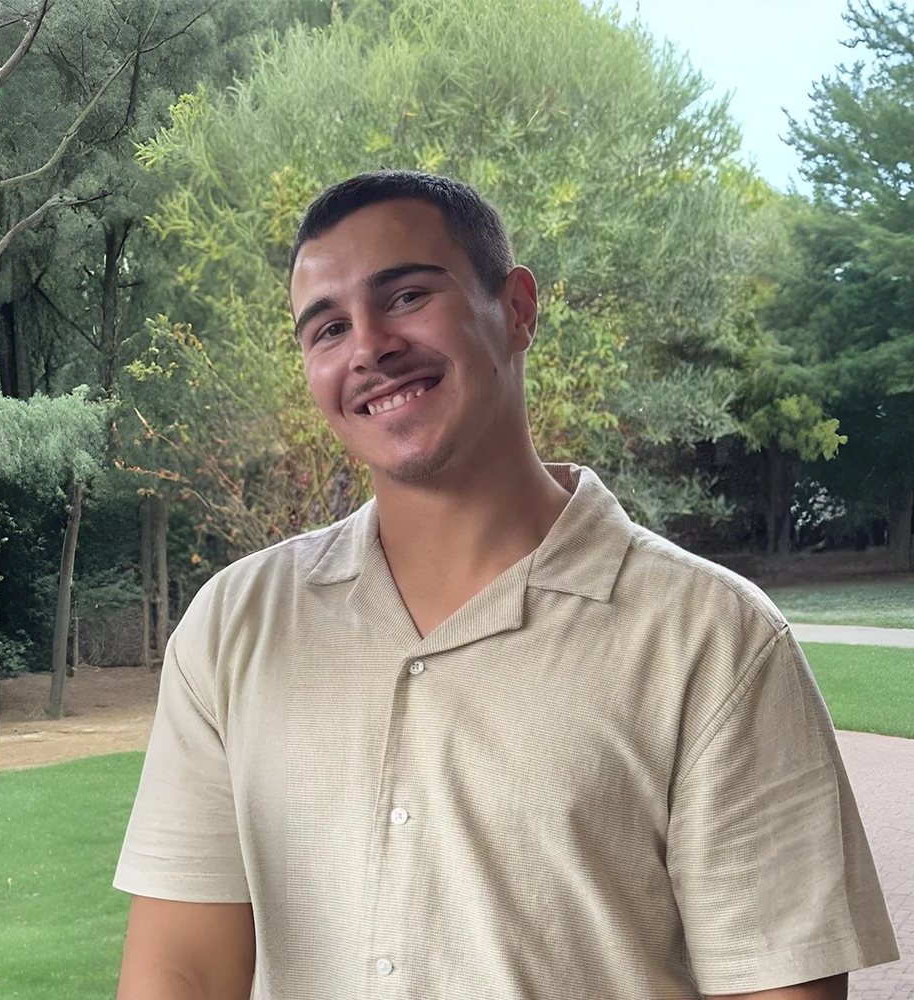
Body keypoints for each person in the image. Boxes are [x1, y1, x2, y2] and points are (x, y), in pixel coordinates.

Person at [114, 171, 898, 1000]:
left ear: (517, 308)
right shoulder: (235, 624)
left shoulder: (714, 638)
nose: (369, 346)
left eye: (408, 295)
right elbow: (182, 969)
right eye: (328, 328)